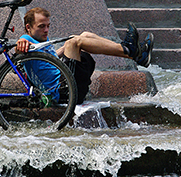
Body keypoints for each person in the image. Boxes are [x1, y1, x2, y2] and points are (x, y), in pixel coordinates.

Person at [16, 7, 154, 104]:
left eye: (48, 26)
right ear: (28, 27)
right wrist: (20, 44)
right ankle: (129, 50)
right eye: (41, 26)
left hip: (68, 83)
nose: (46, 30)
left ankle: (136, 55)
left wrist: (63, 49)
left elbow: (51, 60)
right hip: (63, 91)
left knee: (84, 35)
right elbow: (20, 47)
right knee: (74, 41)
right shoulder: (27, 40)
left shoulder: (42, 42)